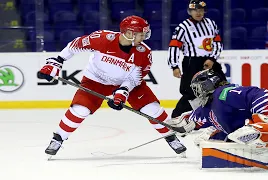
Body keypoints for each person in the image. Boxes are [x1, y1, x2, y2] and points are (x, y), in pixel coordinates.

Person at [38, 15, 186, 156]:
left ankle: (171, 137)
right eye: (141, 34)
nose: (144, 37)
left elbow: (135, 77)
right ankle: (58, 138)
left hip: (127, 84)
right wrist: (57, 61)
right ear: (129, 33)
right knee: (79, 110)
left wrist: (123, 91)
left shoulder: (144, 52)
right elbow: (75, 46)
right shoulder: (102, 39)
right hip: (95, 81)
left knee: (152, 109)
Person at [167, 0, 226, 119]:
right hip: (191, 63)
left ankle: (221, 116)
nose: (198, 12)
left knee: (222, 86)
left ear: (204, 11)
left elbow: (217, 42)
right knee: (190, 92)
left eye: (200, 10)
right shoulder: (183, 27)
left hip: (210, 62)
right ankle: (176, 118)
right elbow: (174, 46)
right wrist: (174, 66)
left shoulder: (211, 23)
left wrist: (212, 59)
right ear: (190, 11)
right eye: (194, 10)